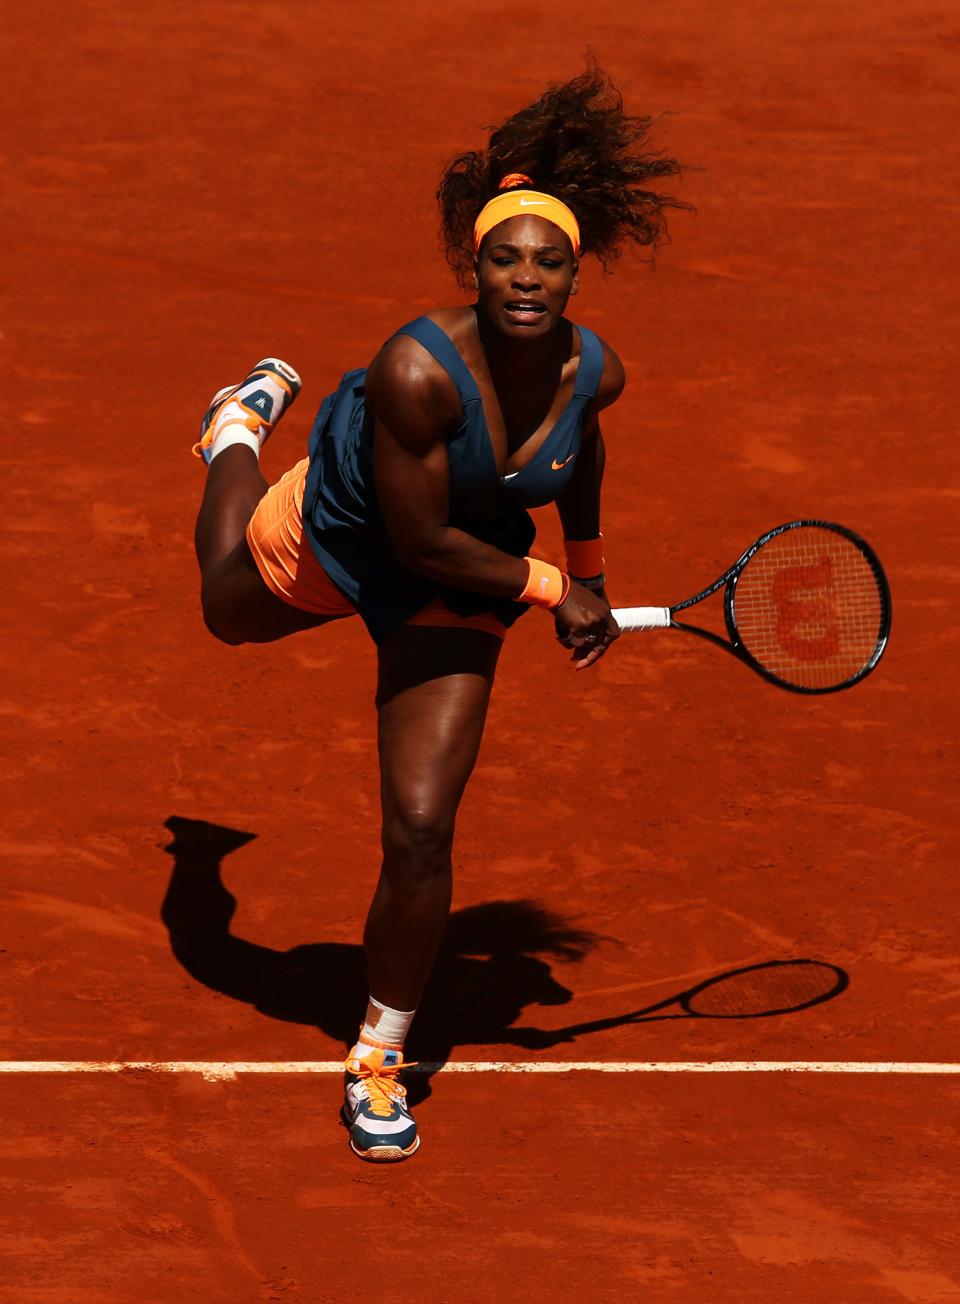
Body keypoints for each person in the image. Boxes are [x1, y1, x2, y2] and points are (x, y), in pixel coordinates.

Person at [191, 64, 686, 1162]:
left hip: (469, 583)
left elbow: (578, 459)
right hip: (356, 529)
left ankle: (379, 1052)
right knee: (226, 609)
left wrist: (590, 559)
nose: (525, 279)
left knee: (419, 822)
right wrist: (561, 590)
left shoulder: (592, 374)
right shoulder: (416, 370)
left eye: (548, 262)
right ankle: (234, 431)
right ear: (475, 263)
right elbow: (416, 543)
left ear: (574, 273)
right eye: (504, 258)